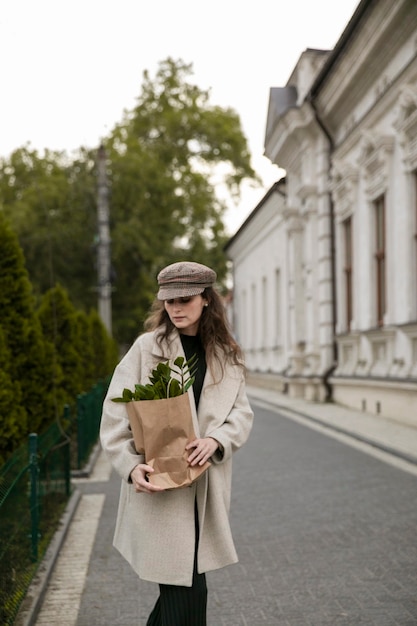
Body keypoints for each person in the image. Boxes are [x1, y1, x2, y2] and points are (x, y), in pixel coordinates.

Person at [100, 260, 254, 626]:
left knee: (187, 590)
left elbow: (242, 414)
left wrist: (217, 439)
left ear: (205, 298)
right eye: (169, 301)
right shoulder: (145, 349)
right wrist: (130, 466)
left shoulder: (227, 355)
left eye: (184, 299)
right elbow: (114, 415)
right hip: (159, 489)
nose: (175, 308)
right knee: (185, 591)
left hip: (205, 491)